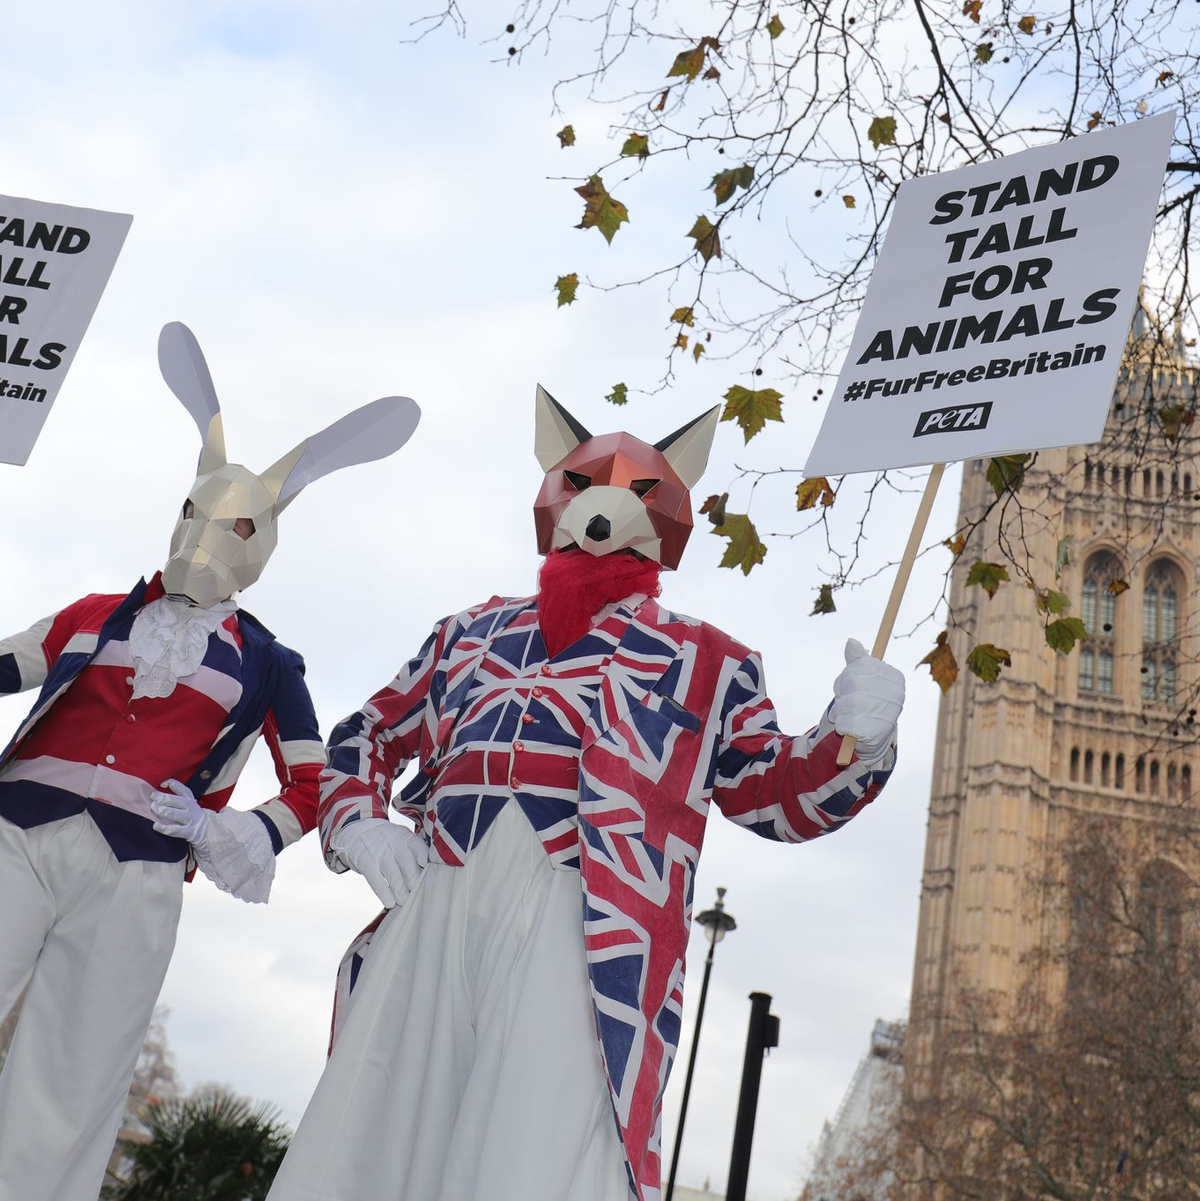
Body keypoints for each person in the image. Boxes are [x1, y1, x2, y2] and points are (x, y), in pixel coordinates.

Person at [268, 388, 905, 1201]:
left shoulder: (708, 660)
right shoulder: (469, 632)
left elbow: (774, 793)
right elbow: (367, 733)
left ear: (669, 512)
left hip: (591, 923)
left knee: (537, 1155)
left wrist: (858, 738)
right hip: (437, 895)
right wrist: (359, 824)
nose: (603, 508)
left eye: (640, 491)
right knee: (370, 1141)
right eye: (578, 481)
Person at [0, 322, 418, 1201]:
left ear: (262, 538)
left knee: (75, 1081)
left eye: (229, 525)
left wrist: (225, 826)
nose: (201, 539)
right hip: (18, 834)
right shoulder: (94, 613)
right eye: (194, 512)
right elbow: (13, 662)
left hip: (138, 873)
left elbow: (310, 784)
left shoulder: (268, 663)